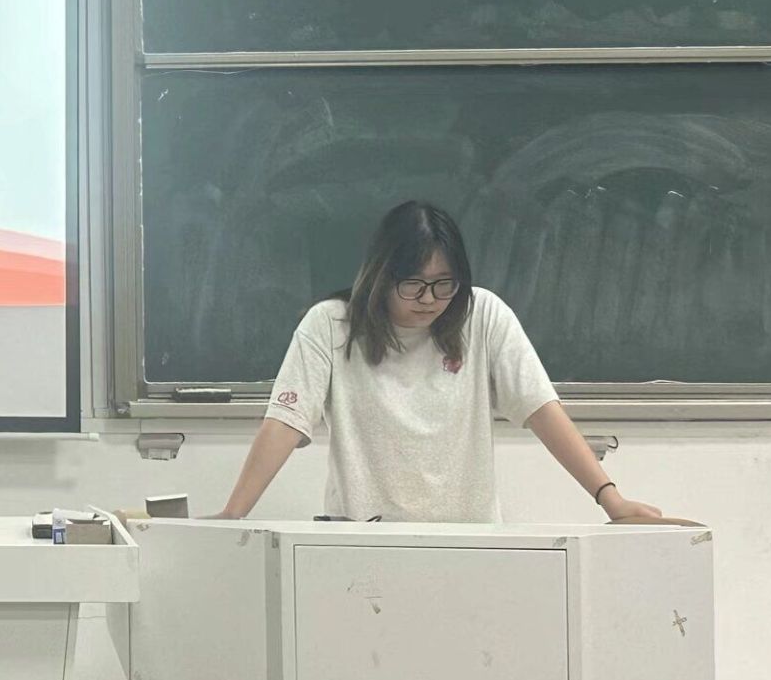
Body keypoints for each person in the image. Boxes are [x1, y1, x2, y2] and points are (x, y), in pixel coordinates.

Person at [213, 199, 662, 524]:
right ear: (381, 276)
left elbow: (542, 410)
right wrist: (234, 514)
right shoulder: (330, 325)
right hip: (362, 541)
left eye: (445, 284)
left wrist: (610, 499)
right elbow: (285, 423)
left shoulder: (483, 315)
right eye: (413, 284)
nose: (429, 299)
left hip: (468, 541)